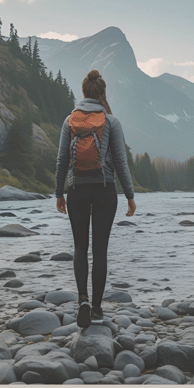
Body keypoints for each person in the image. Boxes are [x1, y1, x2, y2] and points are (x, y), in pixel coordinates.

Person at [54, 69, 136, 328]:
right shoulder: (111, 121)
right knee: (100, 250)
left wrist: (59, 192)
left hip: (76, 189)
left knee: (80, 247)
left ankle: (82, 301)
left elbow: (61, 160)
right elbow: (121, 163)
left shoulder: (70, 120)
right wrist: (130, 196)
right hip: (104, 190)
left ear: (83, 92)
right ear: (102, 93)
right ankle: (98, 309)